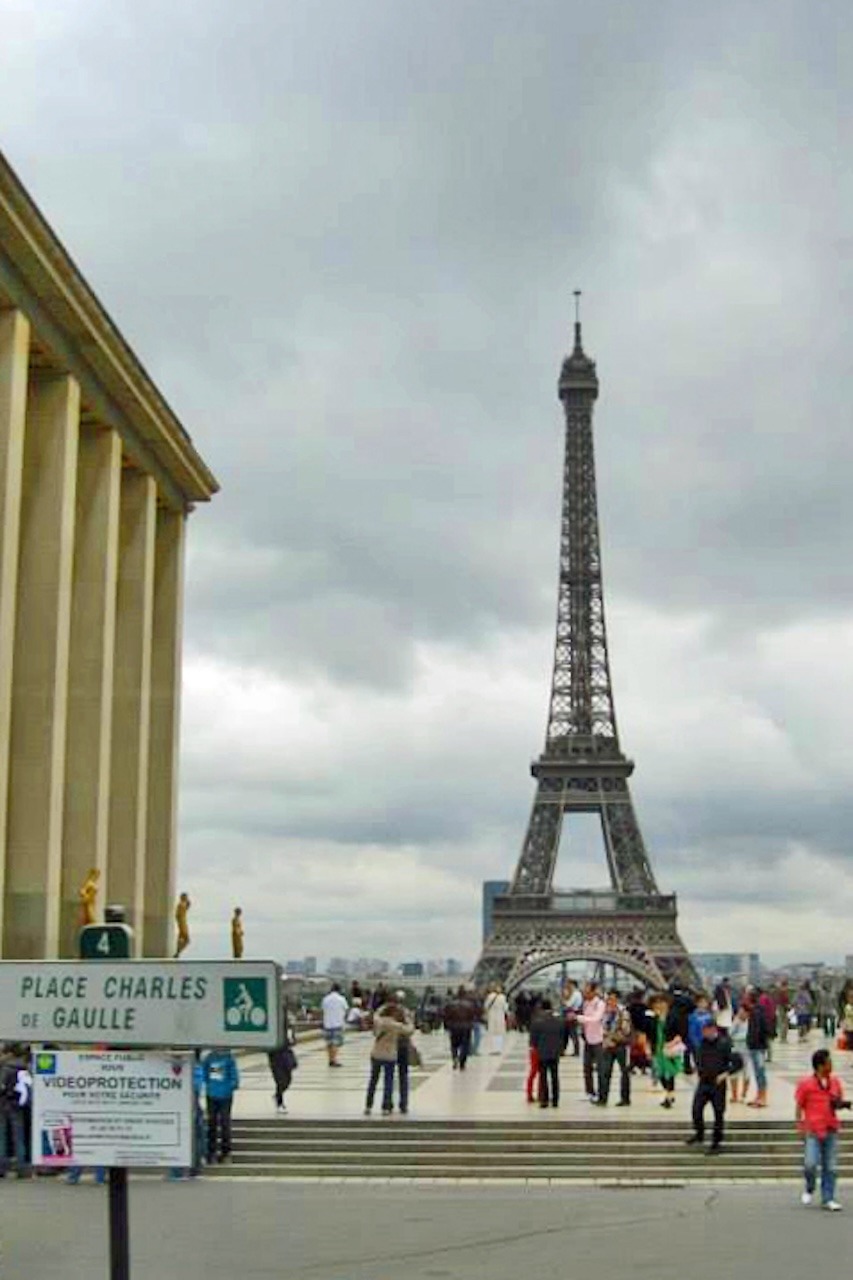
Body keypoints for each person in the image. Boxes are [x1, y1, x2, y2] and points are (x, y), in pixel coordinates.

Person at [795, 1048, 849, 1211]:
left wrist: (841, 1104)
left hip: (831, 1127)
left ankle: (828, 1198)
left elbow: (838, 1101)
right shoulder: (806, 1084)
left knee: (831, 1166)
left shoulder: (835, 1082)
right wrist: (799, 1125)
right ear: (820, 1066)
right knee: (810, 1164)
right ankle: (810, 1187)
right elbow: (799, 1106)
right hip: (813, 1129)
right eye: (829, 1062)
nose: (831, 1065)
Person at [686, 1019, 736, 1154]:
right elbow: (697, 1058)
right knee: (696, 1109)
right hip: (703, 1082)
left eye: (707, 1030)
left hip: (717, 1083)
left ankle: (716, 1142)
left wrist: (725, 1074)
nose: (704, 1033)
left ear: (714, 1030)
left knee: (718, 1113)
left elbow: (738, 1062)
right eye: (703, 1031)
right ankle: (699, 1133)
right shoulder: (701, 1044)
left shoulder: (724, 1043)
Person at [364, 995, 413, 1116]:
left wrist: (379, 1011)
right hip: (399, 1047)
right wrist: (408, 1019)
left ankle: (370, 1105)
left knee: (374, 1079)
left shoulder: (380, 1018)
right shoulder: (403, 1014)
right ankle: (402, 1104)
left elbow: (374, 1030)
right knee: (401, 1076)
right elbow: (410, 1030)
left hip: (378, 1053)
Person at [202, 1048, 240, 1163]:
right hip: (213, 1094)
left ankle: (225, 1152)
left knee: (224, 1123)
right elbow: (205, 1074)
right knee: (213, 1123)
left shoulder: (229, 1058)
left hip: (224, 1095)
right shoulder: (210, 1058)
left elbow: (235, 1077)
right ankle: (212, 1152)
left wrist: (230, 1086)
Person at [0, 1045, 30, 1179]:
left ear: (10, 1054)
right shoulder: (24, 1067)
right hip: (18, 1105)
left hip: (3, 1104)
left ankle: (2, 1167)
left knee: (2, 1137)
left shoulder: (5, 1068)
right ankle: (22, 1168)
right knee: (19, 1137)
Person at [572, 982, 606, 1103]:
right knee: (587, 1067)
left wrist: (578, 1018)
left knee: (601, 1069)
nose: (584, 993)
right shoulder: (586, 1003)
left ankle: (602, 1094)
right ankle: (590, 1092)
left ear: (593, 991)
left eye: (587, 991)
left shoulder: (600, 1004)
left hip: (599, 1040)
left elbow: (596, 1019)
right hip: (588, 1039)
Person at [649, 993, 684, 1109]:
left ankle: (669, 1097)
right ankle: (670, 1094)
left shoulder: (674, 1016)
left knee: (670, 1073)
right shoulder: (655, 1017)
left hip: (669, 1048)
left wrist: (672, 1043)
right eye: (658, 1003)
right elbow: (651, 1033)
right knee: (660, 1073)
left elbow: (680, 1033)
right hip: (658, 1048)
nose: (660, 1005)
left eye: (662, 1002)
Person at [598, 990, 632, 1107]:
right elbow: (601, 1027)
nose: (610, 1002)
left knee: (624, 1072)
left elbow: (626, 1030)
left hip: (620, 1045)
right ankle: (602, 1098)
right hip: (608, 1045)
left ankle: (625, 1098)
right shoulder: (605, 1012)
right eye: (608, 999)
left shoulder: (623, 1012)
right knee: (604, 1072)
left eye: (612, 999)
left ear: (617, 999)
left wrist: (613, 1037)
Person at [530, 998, 564, 1108]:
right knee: (555, 1076)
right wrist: (561, 1048)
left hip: (542, 1053)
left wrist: (535, 1047)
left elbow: (533, 1040)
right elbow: (563, 1036)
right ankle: (555, 1100)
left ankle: (544, 1100)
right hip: (555, 1052)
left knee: (543, 1077)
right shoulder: (559, 1020)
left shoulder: (537, 1021)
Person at [267, 1002, 297, 1113]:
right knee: (280, 1079)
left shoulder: (288, 1023)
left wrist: (292, 1037)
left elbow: (292, 1037)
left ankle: (277, 1096)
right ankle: (280, 1101)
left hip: (285, 1051)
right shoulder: (272, 1022)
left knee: (288, 1079)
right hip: (274, 1053)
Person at [744, 992, 769, 1108]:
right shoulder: (758, 1011)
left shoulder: (756, 1013)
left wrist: (751, 1042)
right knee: (758, 1072)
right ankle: (759, 1095)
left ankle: (762, 1097)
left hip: (757, 1047)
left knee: (760, 1072)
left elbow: (757, 1030)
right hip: (758, 1046)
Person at [444, 987, 476, 1070]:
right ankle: (462, 1062)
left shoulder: (451, 1004)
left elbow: (446, 1016)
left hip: (454, 1027)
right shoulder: (470, 1005)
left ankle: (454, 1058)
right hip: (466, 1027)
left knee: (454, 1045)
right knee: (465, 1045)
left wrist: (447, 1026)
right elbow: (472, 1016)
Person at [321, 983, 349, 1067]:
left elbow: (323, 1009)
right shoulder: (341, 999)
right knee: (335, 1043)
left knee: (329, 1043)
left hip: (327, 1023)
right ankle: (334, 1060)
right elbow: (346, 1009)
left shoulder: (325, 999)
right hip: (338, 1023)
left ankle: (330, 1059)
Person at [484, 986, 508, 1055]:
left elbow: (486, 1006)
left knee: (492, 1033)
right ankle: (498, 1049)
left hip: (492, 1016)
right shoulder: (502, 997)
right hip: (500, 1017)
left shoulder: (490, 996)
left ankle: (492, 1049)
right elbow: (505, 1008)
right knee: (499, 1034)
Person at [563, 980, 583, 1056]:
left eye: (569, 985)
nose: (567, 986)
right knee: (567, 1033)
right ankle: (565, 1050)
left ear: (572, 985)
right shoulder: (576, 993)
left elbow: (569, 1004)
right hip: (572, 1014)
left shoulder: (575, 994)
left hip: (572, 1015)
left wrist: (565, 999)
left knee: (572, 1033)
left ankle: (576, 1051)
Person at [174, 892, 191, 958]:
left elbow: (178, 915)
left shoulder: (181, 905)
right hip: (183, 924)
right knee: (186, 940)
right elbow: (178, 915)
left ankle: (177, 952)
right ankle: (177, 952)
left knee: (181, 939)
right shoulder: (181, 905)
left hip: (182, 924)